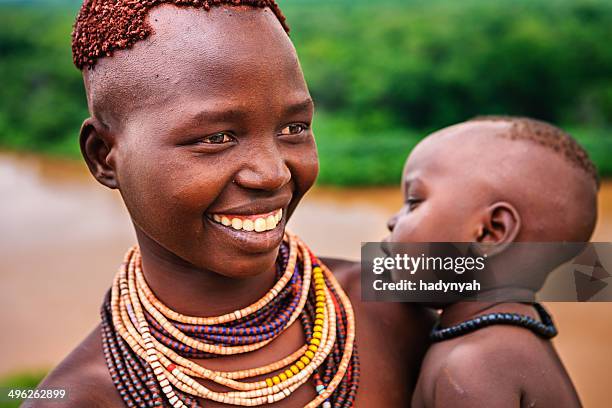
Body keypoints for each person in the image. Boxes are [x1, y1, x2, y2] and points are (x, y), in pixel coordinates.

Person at [30, 1, 433, 407]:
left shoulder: (399, 286)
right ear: (104, 155)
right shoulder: (74, 398)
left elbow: (497, 270)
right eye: (217, 137)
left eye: (294, 128)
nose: (273, 173)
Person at [386, 116, 597, 407]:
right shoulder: (510, 338)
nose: (392, 221)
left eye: (413, 201)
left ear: (490, 231)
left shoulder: (472, 364)